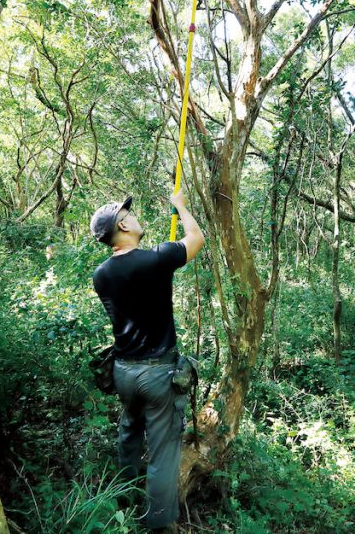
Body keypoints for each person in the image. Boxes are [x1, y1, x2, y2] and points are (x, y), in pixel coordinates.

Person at [90, 190, 205, 533]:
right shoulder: (157, 259)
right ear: (123, 224)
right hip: (157, 375)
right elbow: (196, 238)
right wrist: (181, 205)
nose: (134, 216)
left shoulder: (102, 275)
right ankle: (159, 522)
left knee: (129, 432)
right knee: (163, 449)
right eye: (129, 213)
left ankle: (123, 499)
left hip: (123, 371)